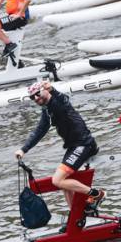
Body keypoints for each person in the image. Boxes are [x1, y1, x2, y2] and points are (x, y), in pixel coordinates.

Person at [14, 81, 106, 213]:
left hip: (84, 144)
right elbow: (39, 131)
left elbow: (64, 100)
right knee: (64, 183)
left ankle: (97, 194)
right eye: (32, 97)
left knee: (57, 180)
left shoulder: (58, 101)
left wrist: (53, 89)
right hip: (73, 147)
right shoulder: (46, 111)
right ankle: (75, 214)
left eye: (37, 93)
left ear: (45, 90)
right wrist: (23, 149)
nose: (35, 98)